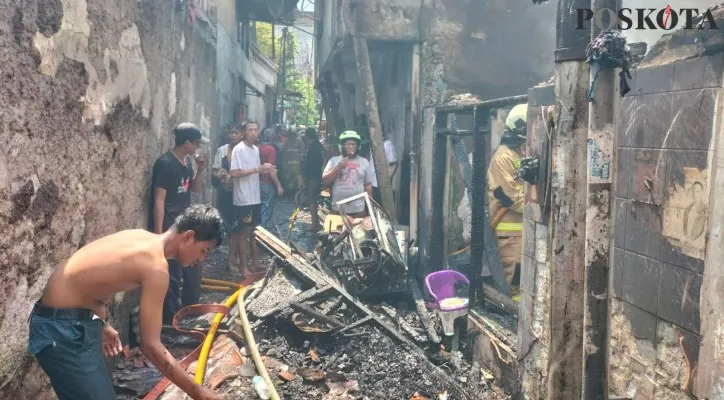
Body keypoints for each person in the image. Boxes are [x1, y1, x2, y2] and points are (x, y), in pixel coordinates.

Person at [28, 205, 225, 400]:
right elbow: (151, 346)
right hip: (61, 332)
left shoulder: (140, 236)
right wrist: (198, 393)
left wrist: (102, 323)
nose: (202, 259)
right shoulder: (156, 268)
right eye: (204, 251)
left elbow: (88, 281)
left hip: (64, 323)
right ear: (189, 236)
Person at [148, 122, 208, 323]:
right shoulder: (165, 164)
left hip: (184, 225)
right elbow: (159, 199)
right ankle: (170, 321)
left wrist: (200, 169)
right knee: (171, 276)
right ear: (188, 143)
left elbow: (196, 189)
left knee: (192, 267)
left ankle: (190, 311)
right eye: (196, 143)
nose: (198, 148)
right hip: (169, 225)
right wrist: (158, 234)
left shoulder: (187, 163)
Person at [488, 103, 527, 298]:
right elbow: (512, 197)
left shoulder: (520, 154)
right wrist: (540, 205)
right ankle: (513, 321)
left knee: (526, 281)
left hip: (523, 230)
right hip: (510, 233)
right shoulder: (503, 158)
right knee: (515, 281)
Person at [229, 121, 276, 276]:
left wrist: (265, 170)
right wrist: (257, 169)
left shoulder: (255, 150)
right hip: (243, 198)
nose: (254, 133)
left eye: (256, 130)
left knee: (254, 231)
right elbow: (234, 173)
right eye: (250, 130)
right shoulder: (239, 149)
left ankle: (255, 262)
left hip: (255, 196)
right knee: (243, 232)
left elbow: (254, 172)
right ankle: (243, 266)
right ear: (244, 132)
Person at [212, 122, 243, 272]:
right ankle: (232, 259)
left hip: (242, 194)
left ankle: (235, 258)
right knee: (231, 228)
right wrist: (220, 174)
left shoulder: (245, 151)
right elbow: (214, 171)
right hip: (226, 193)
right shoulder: (222, 151)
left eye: (236, 132)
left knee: (240, 228)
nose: (233, 135)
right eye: (231, 132)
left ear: (241, 134)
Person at [322, 130, 373, 218]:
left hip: (358, 210)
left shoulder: (364, 162)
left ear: (358, 147)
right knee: (336, 231)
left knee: (358, 231)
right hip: (338, 209)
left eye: (353, 144)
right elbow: (325, 180)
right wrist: (338, 167)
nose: (350, 147)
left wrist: (370, 208)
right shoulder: (334, 161)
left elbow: (367, 185)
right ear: (342, 146)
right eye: (347, 144)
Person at [258, 128, 284, 232]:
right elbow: (271, 170)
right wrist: (278, 185)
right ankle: (262, 233)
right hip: (266, 183)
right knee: (266, 209)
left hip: (257, 182)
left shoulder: (257, 147)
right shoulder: (271, 149)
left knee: (259, 208)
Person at [302, 127, 325, 231]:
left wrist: (305, 178)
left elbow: (310, 163)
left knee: (311, 199)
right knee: (313, 199)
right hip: (316, 175)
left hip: (313, 176)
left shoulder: (313, 147)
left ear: (307, 136)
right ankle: (315, 222)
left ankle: (315, 224)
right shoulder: (318, 146)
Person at [368, 134, 398, 204]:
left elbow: (393, 164)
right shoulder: (374, 145)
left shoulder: (387, 144)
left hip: (381, 185)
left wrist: (386, 181)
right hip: (372, 183)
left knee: (383, 206)